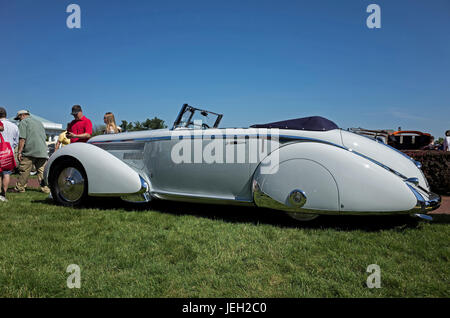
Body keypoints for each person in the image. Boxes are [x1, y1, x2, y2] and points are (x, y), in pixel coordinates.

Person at [13, 110, 50, 194]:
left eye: (19, 118)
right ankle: (46, 189)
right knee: (42, 171)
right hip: (42, 151)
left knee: (24, 170)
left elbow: (22, 138)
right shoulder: (39, 122)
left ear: (22, 116)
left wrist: (19, 152)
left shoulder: (23, 122)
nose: (19, 120)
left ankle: (20, 188)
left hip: (30, 150)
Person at [0, 107, 19, 201]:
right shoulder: (14, 126)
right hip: (8, 152)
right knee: (6, 173)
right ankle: (3, 194)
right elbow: (16, 141)